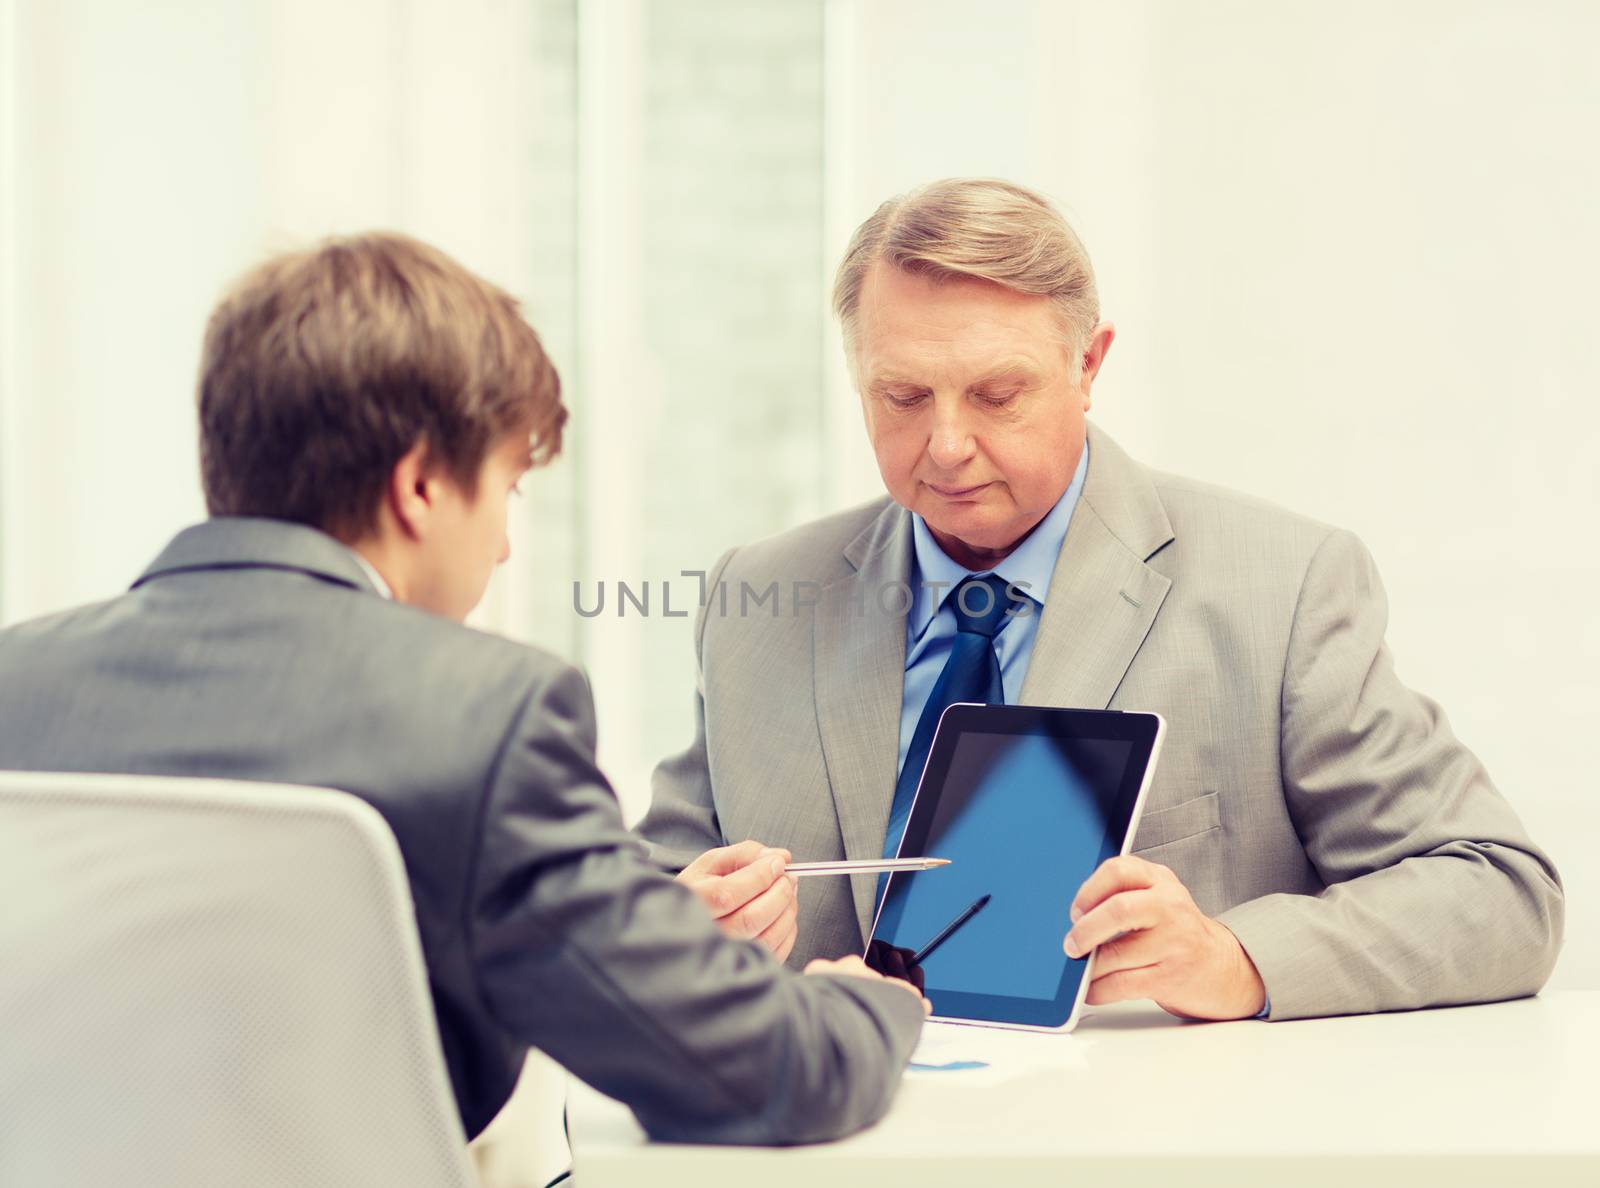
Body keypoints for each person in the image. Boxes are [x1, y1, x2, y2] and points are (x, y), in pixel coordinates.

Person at [0, 233, 926, 1146]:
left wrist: (630, 923)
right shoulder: (486, 718)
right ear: (419, 489)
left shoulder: (16, 682)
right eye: (507, 491)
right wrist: (863, 1002)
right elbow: (765, 1077)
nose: (504, 545)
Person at [639, 177, 1565, 1022]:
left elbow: (1498, 893)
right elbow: (626, 908)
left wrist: (1237, 957)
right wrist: (676, 935)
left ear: (1089, 366)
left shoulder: (1284, 585)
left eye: (998, 393)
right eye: (903, 395)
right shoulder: (755, 597)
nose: (947, 444)